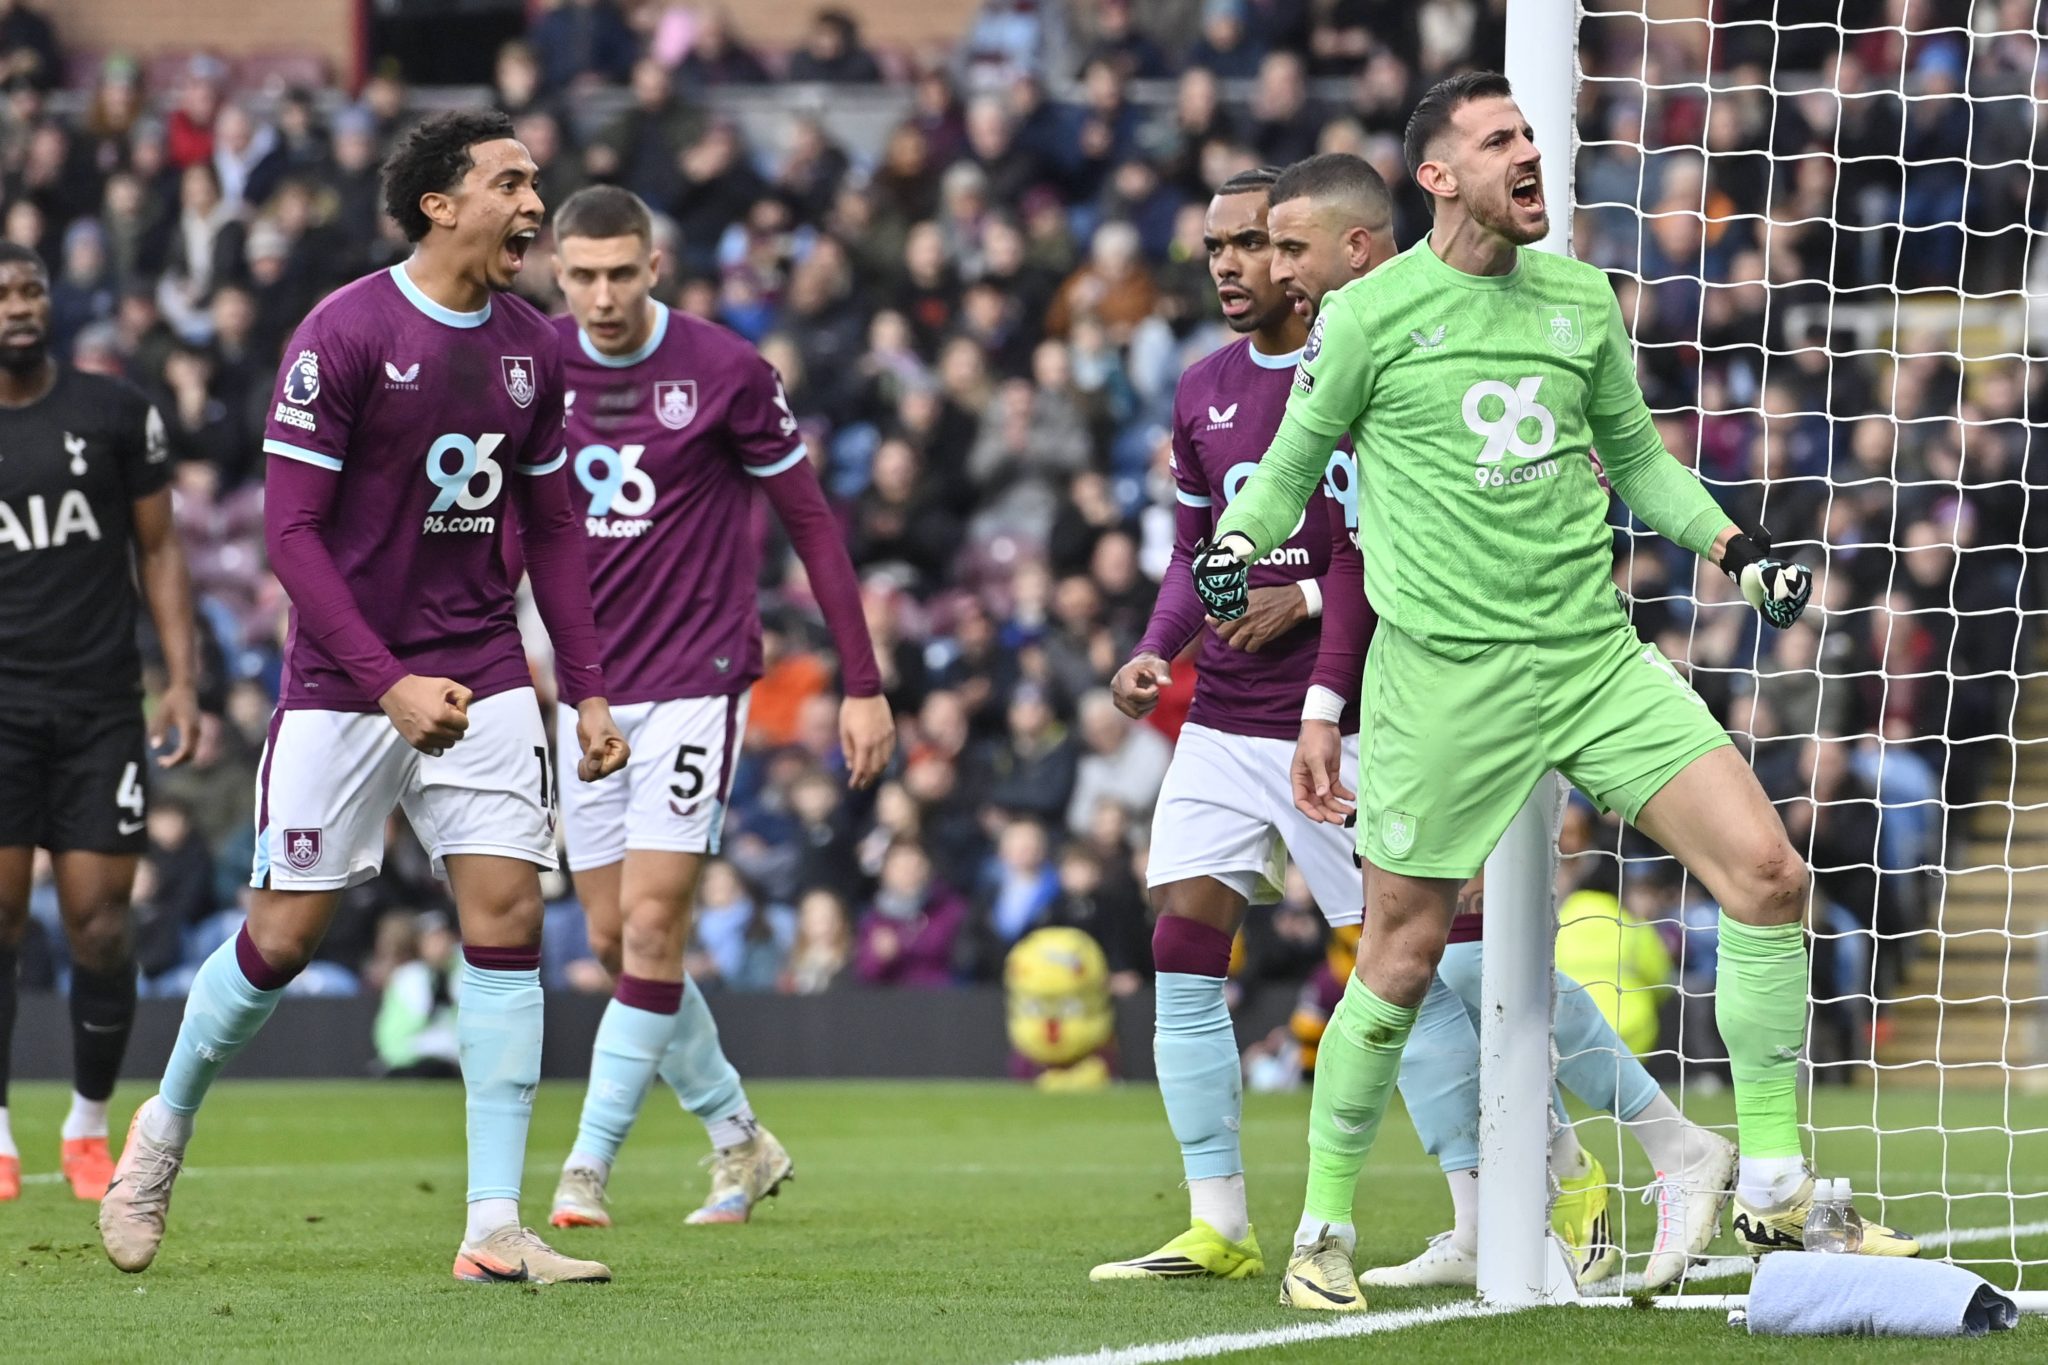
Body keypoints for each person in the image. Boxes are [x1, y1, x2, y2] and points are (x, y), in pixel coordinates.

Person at [1199, 72, 1912, 1311]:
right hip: (1444, 682)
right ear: (1438, 177)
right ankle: (1320, 1230)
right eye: (1499, 140)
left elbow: (1635, 458)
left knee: (1768, 876)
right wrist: (1230, 547)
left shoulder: (1580, 298)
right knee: (1401, 958)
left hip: (1590, 660)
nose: (1529, 153)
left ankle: (1775, 1183)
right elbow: (1287, 465)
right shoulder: (1371, 317)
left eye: (1530, 134)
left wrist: (1736, 553)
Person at [99, 111, 631, 1287]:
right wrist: (384, 684)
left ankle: (492, 1224)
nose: (535, 206)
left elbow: (550, 526)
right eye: (512, 184)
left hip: (484, 667)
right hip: (347, 682)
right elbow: (289, 536)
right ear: (441, 204)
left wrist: (584, 693)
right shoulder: (341, 333)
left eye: (534, 182)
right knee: (283, 939)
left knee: (505, 920)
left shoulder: (534, 348)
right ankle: (160, 1133)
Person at [538, 186, 893, 1231]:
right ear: (556, 275)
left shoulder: (725, 371)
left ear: (655, 268)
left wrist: (862, 684)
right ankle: (739, 1137)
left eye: (621, 273)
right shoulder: (529, 370)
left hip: (696, 682)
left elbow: (813, 528)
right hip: (586, 692)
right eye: (582, 276)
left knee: (653, 925)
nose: (602, 296)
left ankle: (583, 1171)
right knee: (615, 944)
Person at [1088, 160, 1387, 1285]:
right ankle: (1216, 1219)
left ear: (1303, 254)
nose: (1225, 264)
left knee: (1430, 966)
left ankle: (1497, 1193)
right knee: (1179, 943)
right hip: (1222, 719)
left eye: (1249, 243)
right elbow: (1193, 552)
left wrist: (1302, 600)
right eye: (1211, 247)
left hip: (1345, 719)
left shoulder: (1359, 368)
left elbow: (1379, 544)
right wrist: (1153, 648)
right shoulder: (1202, 387)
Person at [0, 241, 199, 1203]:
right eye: (1, 294)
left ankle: (86, 1120)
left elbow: (159, 551)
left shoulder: (116, 412)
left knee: (98, 926)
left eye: (30, 288)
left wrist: (183, 681)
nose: (17, 305)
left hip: (98, 708)